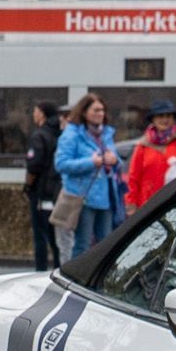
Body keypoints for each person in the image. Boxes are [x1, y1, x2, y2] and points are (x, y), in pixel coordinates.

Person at [57, 93, 123, 257]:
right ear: (84, 112)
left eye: (102, 110)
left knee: (106, 245)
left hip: (106, 198)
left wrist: (114, 160)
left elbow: (118, 163)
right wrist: (90, 162)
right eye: (96, 110)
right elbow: (61, 164)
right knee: (82, 245)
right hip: (83, 197)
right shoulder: (72, 134)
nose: (100, 114)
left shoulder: (106, 134)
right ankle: (76, 279)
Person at [123, 101, 176, 209]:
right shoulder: (142, 146)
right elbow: (133, 178)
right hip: (147, 206)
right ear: (153, 119)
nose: (165, 119)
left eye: (168, 116)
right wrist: (131, 205)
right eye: (160, 116)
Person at [20, 100, 62, 270]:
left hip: (41, 191)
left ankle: (40, 270)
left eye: (35, 111)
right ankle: (59, 268)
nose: (33, 114)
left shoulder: (39, 135)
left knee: (40, 236)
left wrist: (28, 186)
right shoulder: (60, 134)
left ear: (42, 114)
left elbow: (33, 166)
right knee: (55, 236)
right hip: (57, 190)